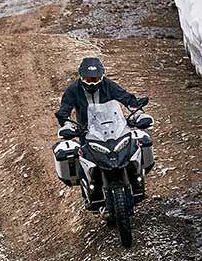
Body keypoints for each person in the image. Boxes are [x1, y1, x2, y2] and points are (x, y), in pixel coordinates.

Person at [55, 57, 150, 200]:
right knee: (82, 160)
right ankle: (89, 193)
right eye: (88, 79)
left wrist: (137, 112)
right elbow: (64, 111)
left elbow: (125, 98)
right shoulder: (73, 90)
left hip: (113, 128)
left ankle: (136, 183)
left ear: (102, 77)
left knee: (130, 149)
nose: (91, 82)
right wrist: (67, 125)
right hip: (87, 132)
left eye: (95, 79)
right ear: (81, 77)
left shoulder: (108, 85)